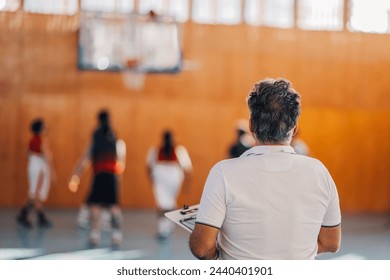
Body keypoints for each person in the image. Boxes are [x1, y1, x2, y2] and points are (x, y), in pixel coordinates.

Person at [189, 78, 341, 260]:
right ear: (294, 129)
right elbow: (331, 243)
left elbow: (202, 248)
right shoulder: (320, 173)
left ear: (251, 126)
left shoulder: (223, 173)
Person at [68, 110, 124, 248]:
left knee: (95, 206)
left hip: (99, 175)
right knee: (114, 208)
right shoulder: (117, 139)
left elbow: (85, 158)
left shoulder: (96, 138)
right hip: (111, 176)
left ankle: (95, 236)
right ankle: (116, 236)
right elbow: (121, 162)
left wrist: (76, 175)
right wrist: (118, 179)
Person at [146, 130, 192, 240]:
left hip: (168, 177)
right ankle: (165, 228)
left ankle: (166, 227)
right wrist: (187, 183)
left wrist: (187, 183)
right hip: (168, 177)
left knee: (166, 203)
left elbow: (187, 168)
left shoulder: (177, 150)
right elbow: (187, 168)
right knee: (165, 204)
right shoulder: (157, 150)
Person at [16, 119, 56, 228]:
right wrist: (52, 172)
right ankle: (24, 214)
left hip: (33, 165)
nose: (46, 128)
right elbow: (47, 157)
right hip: (39, 167)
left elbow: (27, 152)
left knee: (35, 193)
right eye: (44, 126)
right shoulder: (42, 140)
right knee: (35, 193)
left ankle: (40, 217)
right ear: (40, 128)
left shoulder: (32, 140)